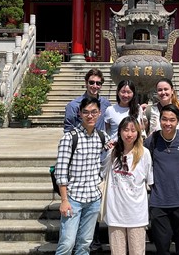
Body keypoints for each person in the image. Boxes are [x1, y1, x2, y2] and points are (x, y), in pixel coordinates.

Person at [54, 96, 109, 255]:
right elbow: (61, 171)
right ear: (79, 113)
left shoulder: (102, 136)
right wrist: (64, 200)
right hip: (73, 199)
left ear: (99, 113)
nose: (90, 116)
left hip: (93, 198)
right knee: (67, 242)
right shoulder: (70, 137)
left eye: (94, 112)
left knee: (85, 244)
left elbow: (116, 148)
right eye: (86, 112)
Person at [144, 104, 179, 255]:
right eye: (164, 119)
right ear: (159, 120)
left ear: (178, 121)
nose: (168, 123)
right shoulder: (151, 141)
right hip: (159, 203)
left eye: (172, 120)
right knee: (162, 248)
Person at [103, 116, 153, 255]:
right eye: (125, 130)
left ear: (138, 132)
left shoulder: (145, 153)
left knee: (137, 252)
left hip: (136, 214)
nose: (129, 134)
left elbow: (150, 181)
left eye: (133, 130)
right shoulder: (112, 153)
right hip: (115, 213)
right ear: (119, 132)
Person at [64, 68, 112, 133]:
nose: (95, 86)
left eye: (98, 83)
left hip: (100, 141)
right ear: (86, 83)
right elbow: (69, 129)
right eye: (91, 82)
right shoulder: (73, 105)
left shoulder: (106, 104)